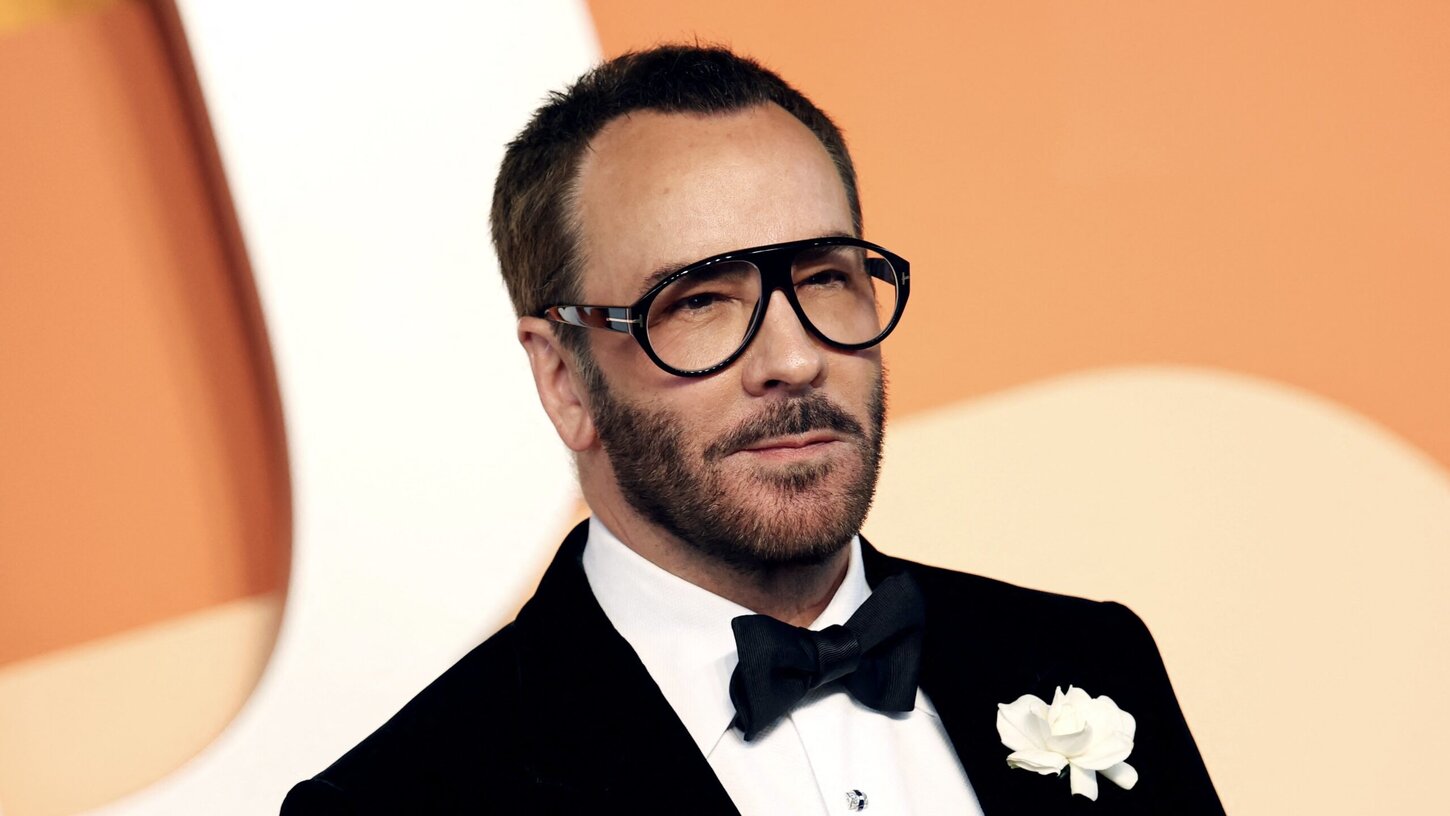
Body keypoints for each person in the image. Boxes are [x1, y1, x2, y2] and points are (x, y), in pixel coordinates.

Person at [282, 45, 1222, 814]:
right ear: (564, 378)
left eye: (826, 279)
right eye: (699, 301)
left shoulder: (1089, 659)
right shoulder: (401, 802)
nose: (795, 358)